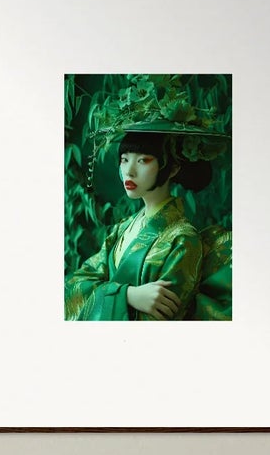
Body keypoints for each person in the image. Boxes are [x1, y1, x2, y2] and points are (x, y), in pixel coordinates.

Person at [65, 79, 231, 322]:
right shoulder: (122, 229)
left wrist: (112, 294)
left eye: (143, 160)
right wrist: (128, 295)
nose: (129, 172)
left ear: (173, 167)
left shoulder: (182, 240)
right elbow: (75, 284)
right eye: (124, 159)